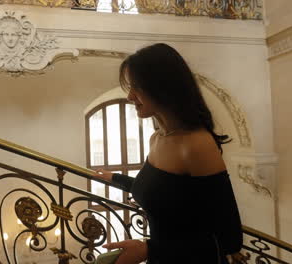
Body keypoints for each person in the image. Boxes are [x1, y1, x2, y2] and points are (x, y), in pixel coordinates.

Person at [92, 43, 243, 264]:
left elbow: (229, 239)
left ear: (163, 89)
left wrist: (148, 250)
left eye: (137, 88)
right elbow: (162, 192)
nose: (130, 97)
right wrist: (113, 177)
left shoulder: (197, 145)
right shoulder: (157, 138)